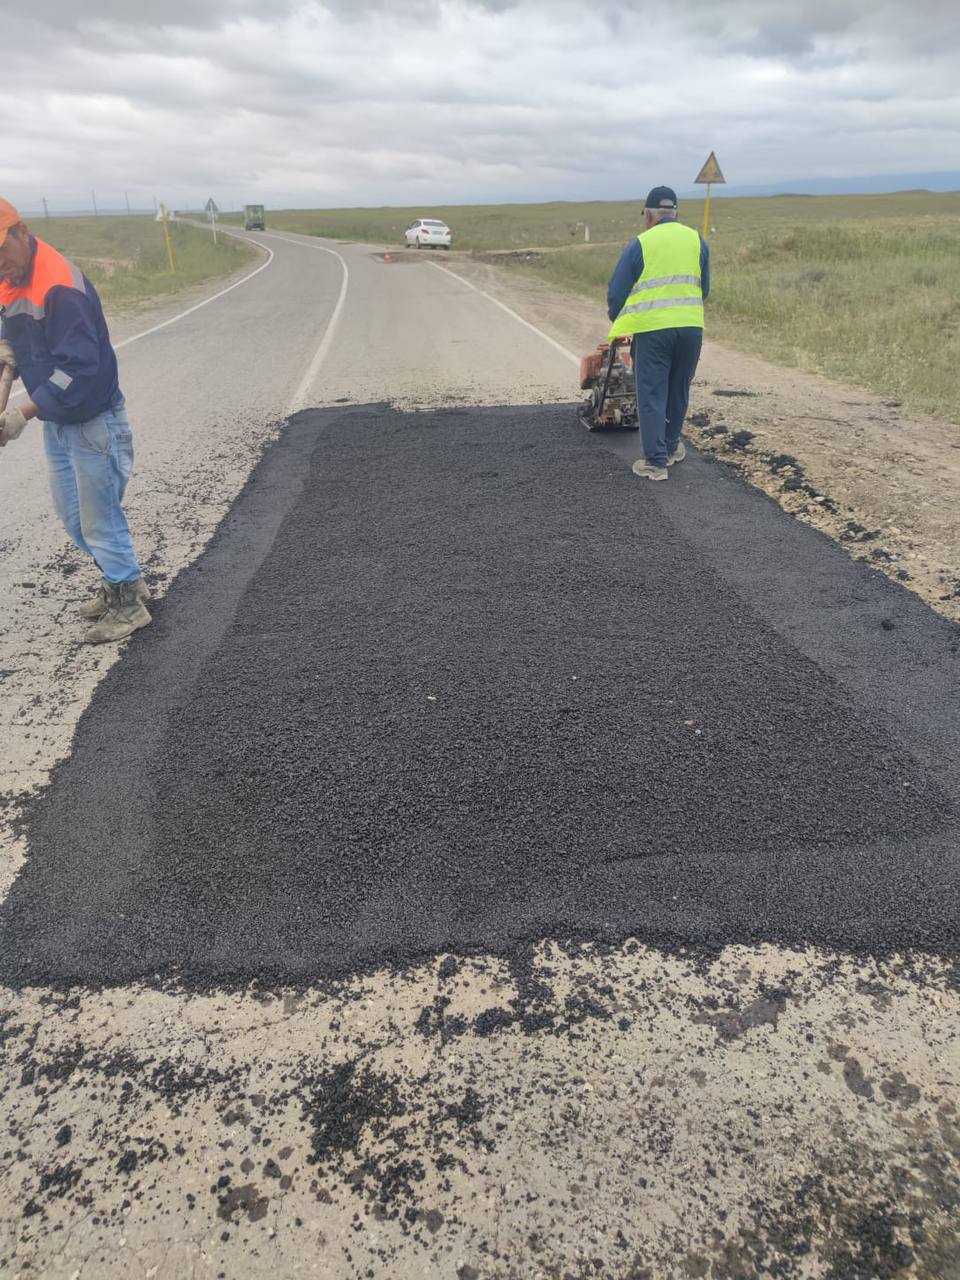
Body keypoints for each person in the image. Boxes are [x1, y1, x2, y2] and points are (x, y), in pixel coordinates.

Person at [0, 198, 150, 643]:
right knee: (75, 517)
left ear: (22, 234)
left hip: (92, 419)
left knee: (99, 518)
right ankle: (122, 581)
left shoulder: (59, 285)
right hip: (60, 421)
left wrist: (21, 414)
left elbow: (79, 370)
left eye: (1, 253)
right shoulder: (11, 274)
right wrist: (7, 360)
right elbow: (11, 330)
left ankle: (129, 604)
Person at [606, 185, 709, 481]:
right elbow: (705, 288)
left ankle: (655, 462)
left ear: (649, 215)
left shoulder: (641, 243)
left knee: (652, 390)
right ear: (675, 213)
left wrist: (619, 319)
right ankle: (673, 447)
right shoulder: (697, 240)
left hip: (654, 331)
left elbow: (616, 291)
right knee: (679, 388)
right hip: (691, 328)